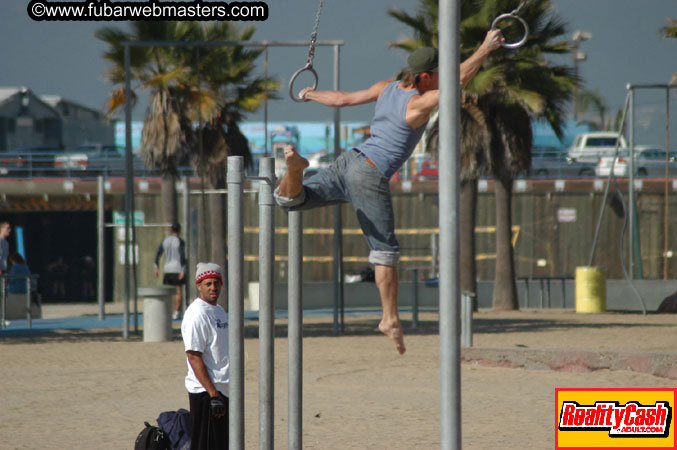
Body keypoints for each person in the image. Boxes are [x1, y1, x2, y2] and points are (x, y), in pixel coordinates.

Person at [276, 30, 505, 355]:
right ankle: (389, 319)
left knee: (290, 201)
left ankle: (295, 170)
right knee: (385, 250)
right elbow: (459, 83)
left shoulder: (387, 88)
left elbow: (341, 99)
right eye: (437, 74)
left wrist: (312, 94)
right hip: (368, 172)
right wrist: (486, 47)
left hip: (348, 160)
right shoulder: (418, 104)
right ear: (426, 76)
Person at [181, 263, 229, 450]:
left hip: (223, 389)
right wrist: (213, 394)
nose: (213, 287)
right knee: (206, 445)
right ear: (198, 285)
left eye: (216, 283)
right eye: (207, 283)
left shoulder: (219, 310)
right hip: (206, 393)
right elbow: (194, 356)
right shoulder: (196, 314)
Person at [154, 223, 187, 320]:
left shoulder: (165, 240)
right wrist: (182, 270)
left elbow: (158, 254)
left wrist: (156, 268)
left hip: (167, 269)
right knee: (178, 291)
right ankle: (177, 312)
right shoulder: (180, 241)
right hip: (177, 268)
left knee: (168, 292)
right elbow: (182, 255)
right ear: (179, 230)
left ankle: (167, 310)